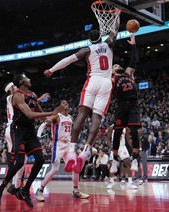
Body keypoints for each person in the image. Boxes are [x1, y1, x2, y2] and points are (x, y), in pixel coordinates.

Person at [43, 14, 121, 174]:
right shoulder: (109, 44)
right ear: (100, 37)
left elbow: (68, 60)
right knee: (96, 119)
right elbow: (115, 29)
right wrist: (118, 13)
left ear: (90, 39)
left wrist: (51, 70)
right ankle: (85, 152)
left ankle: (71, 151)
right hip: (106, 83)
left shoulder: (87, 49)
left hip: (93, 81)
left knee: (81, 114)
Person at [0, 74, 56, 207]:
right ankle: (1, 189)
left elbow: (33, 106)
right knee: (20, 161)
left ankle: (24, 190)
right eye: (27, 78)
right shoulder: (14, 96)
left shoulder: (30, 94)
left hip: (29, 130)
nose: (30, 79)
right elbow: (28, 112)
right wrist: (51, 113)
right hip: (16, 129)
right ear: (20, 82)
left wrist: (46, 118)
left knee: (40, 159)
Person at [35, 100, 89, 201]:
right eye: (63, 103)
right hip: (58, 145)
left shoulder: (70, 118)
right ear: (60, 106)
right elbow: (43, 125)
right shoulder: (56, 116)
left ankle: (76, 191)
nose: (66, 104)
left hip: (68, 144)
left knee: (75, 166)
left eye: (66, 102)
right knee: (55, 169)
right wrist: (38, 136)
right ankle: (40, 190)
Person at [110, 33, 140, 174]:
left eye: (117, 64)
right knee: (117, 132)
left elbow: (134, 60)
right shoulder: (111, 80)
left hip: (133, 105)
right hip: (122, 105)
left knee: (134, 131)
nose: (117, 65)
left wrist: (133, 45)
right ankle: (115, 159)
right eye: (115, 65)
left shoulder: (128, 74)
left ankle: (135, 158)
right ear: (112, 71)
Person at [106, 125, 138, 189]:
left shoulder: (125, 128)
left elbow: (128, 139)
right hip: (114, 146)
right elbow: (108, 138)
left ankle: (130, 182)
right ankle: (111, 181)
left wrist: (134, 148)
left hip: (122, 146)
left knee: (128, 163)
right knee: (112, 164)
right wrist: (110, 147)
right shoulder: (111, 127)